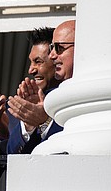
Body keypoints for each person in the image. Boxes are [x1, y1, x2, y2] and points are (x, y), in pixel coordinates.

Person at [6, 21, 75, 154]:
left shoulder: (88, 91)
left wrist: (45, 121)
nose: (53, 55)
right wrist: (28, 124)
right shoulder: (32, 104)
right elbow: (12, 156)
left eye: (38, 62)